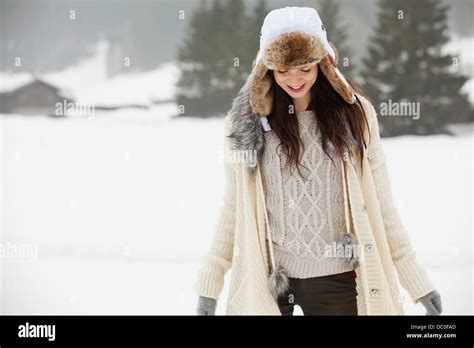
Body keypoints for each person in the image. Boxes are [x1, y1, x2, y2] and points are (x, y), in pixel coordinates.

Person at [194, 6, 442, 316]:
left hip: (337, 280)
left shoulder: (356, 116)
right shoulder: (247, 124)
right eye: (283, 69)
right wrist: (210, 283)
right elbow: (234, 208)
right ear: (267, 68)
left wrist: (415, 280)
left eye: (305, 68)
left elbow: (381, 204)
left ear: (323, 64)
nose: (294, 79)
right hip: (271, 281)